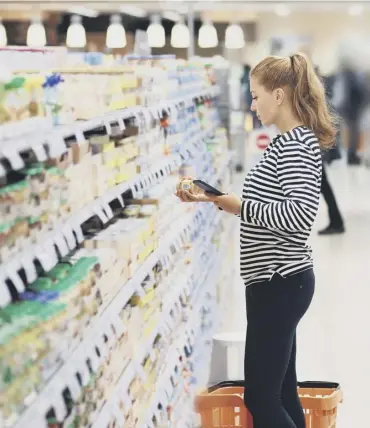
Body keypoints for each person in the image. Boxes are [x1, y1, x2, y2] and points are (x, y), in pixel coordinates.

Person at [176, 53, 336, 428]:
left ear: (279, 96)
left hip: (280, 281)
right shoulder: (287, 142)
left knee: (260, 397)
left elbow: (299, 217)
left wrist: (239, 206)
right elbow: (273, 204)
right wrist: (220, 200)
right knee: (280, 391)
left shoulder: (295, 146)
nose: (252, 104)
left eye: (256, 95)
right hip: (276, 281)